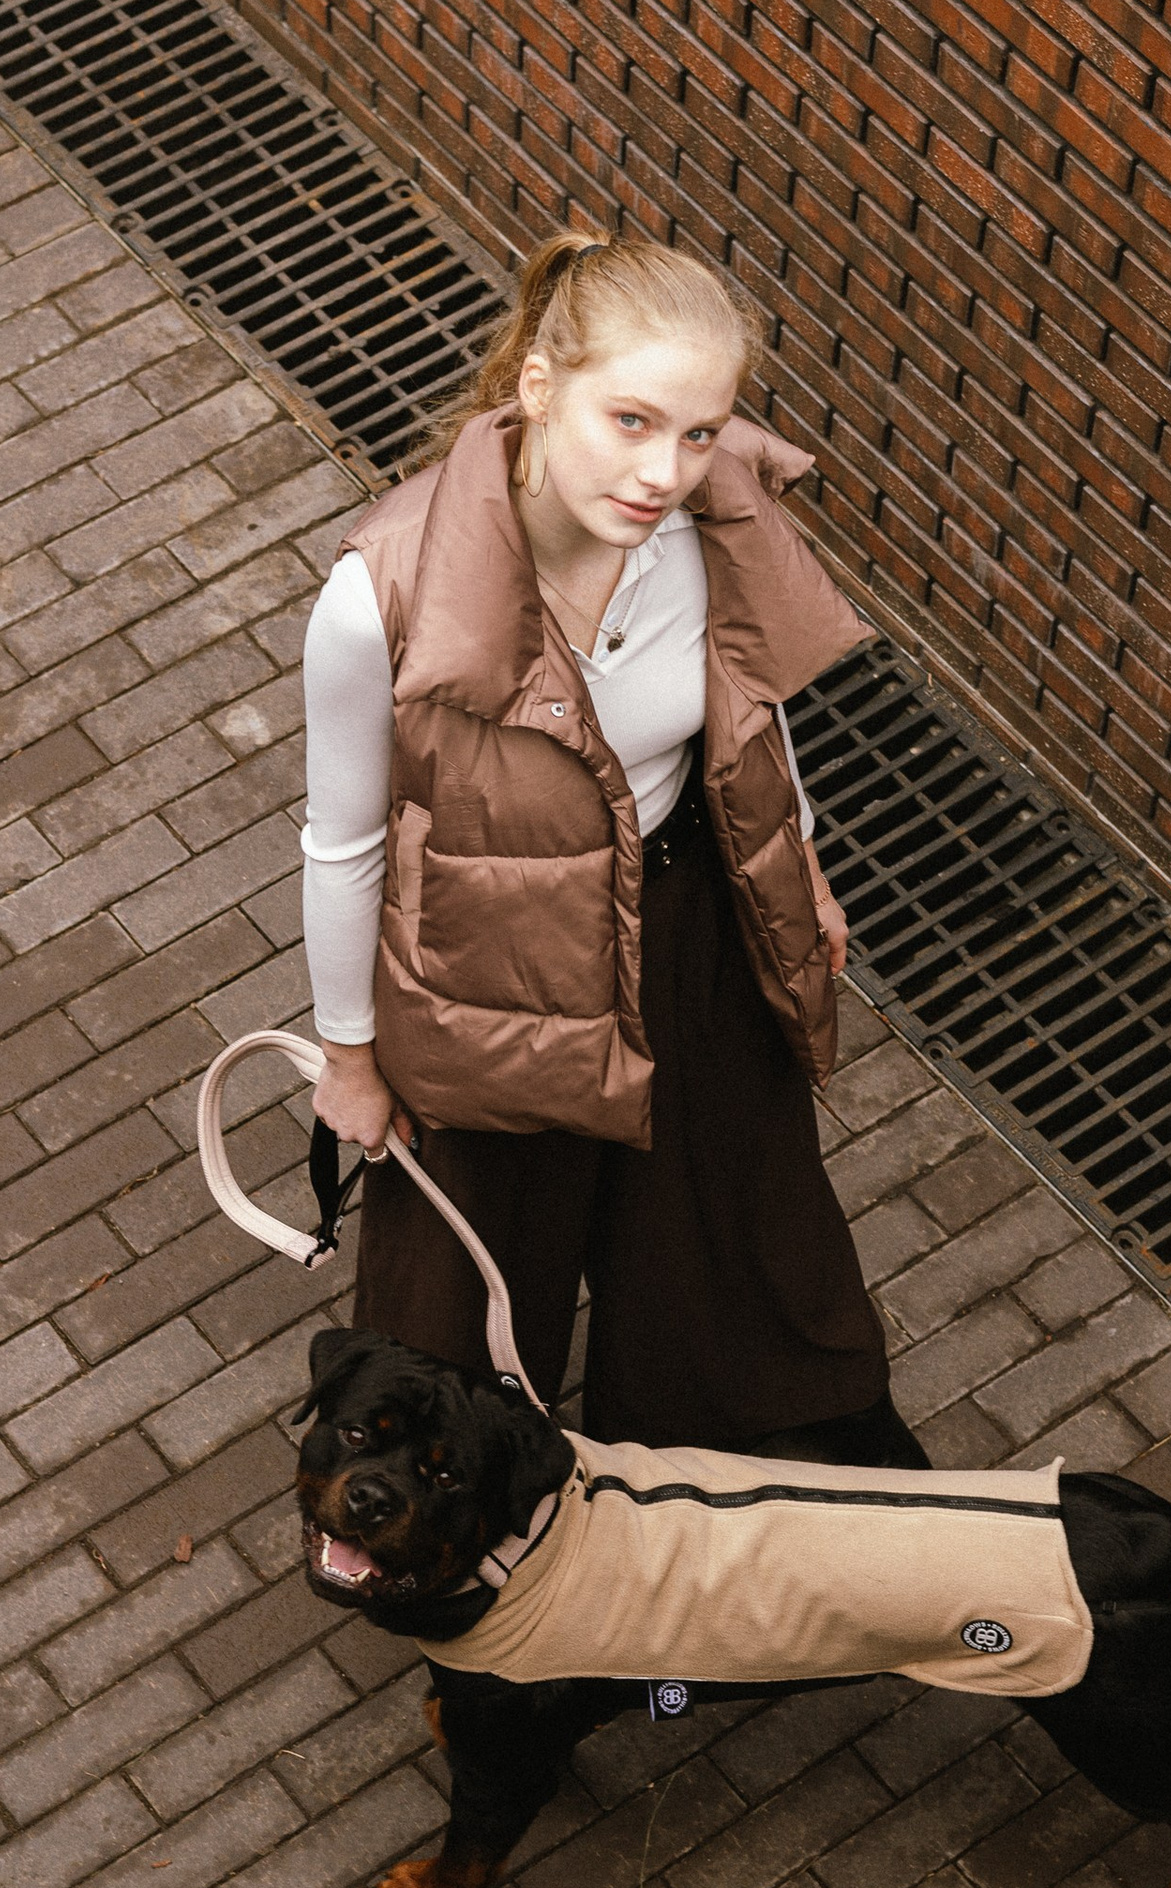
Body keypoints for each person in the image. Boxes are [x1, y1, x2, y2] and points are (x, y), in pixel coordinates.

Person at [301, 232, 924, 1469]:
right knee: (470, 1280)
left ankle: (737, 1478)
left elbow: (748, 712)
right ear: (539, 386)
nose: (663, 474)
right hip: (487, 963)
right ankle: (458, 1514)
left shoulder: (709, 521)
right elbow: (344, 846)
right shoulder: (382, 592)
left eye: (698, 434)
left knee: (721, 1217)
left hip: (687, 916)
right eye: (630, 421)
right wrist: (351, 1059)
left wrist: (801, 864)